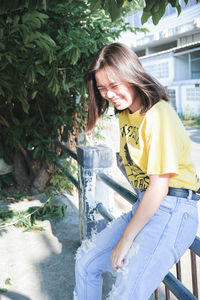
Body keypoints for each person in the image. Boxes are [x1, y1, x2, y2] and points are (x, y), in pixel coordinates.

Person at [73, 43, 200, 300]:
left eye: (114, 85)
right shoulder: (125, 114)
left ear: (131, 76)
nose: (109, 94)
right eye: (102, 88)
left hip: (173, 207)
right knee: (86, 261)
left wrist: (126, 240)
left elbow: (159, 186)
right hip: (148, 203)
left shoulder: (159, 115)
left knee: (125, 293)